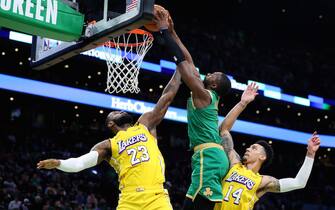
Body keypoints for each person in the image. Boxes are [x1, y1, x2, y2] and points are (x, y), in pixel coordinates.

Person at [36, 18, 191, 209]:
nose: (119, 110)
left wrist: (179, 70)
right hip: (129, 200)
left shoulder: (145, 124)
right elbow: (80, 163)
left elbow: (166, 97)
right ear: (111, 124)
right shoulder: (108, 145)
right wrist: (59, 163)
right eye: (114, 112)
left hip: (156, 196)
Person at [155, 8, 232, 209]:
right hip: (212, 156)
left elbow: (182, 64)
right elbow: (189, 62)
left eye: (214, 74)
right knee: (193, 201)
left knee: (194, 205)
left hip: (209, 156)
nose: (210, 73)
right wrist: (173, 32)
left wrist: (163, 31)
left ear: (214, 85)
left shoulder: (204, 95)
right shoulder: (206, 95)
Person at [214, 82, 320, 210]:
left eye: (254, 148)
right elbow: (224, 130)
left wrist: (310, 154)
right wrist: (242, 103)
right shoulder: (234, 163)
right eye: (249, 147)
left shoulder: (263, 181)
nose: (248, 148)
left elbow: (299, 182)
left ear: (262, 156)